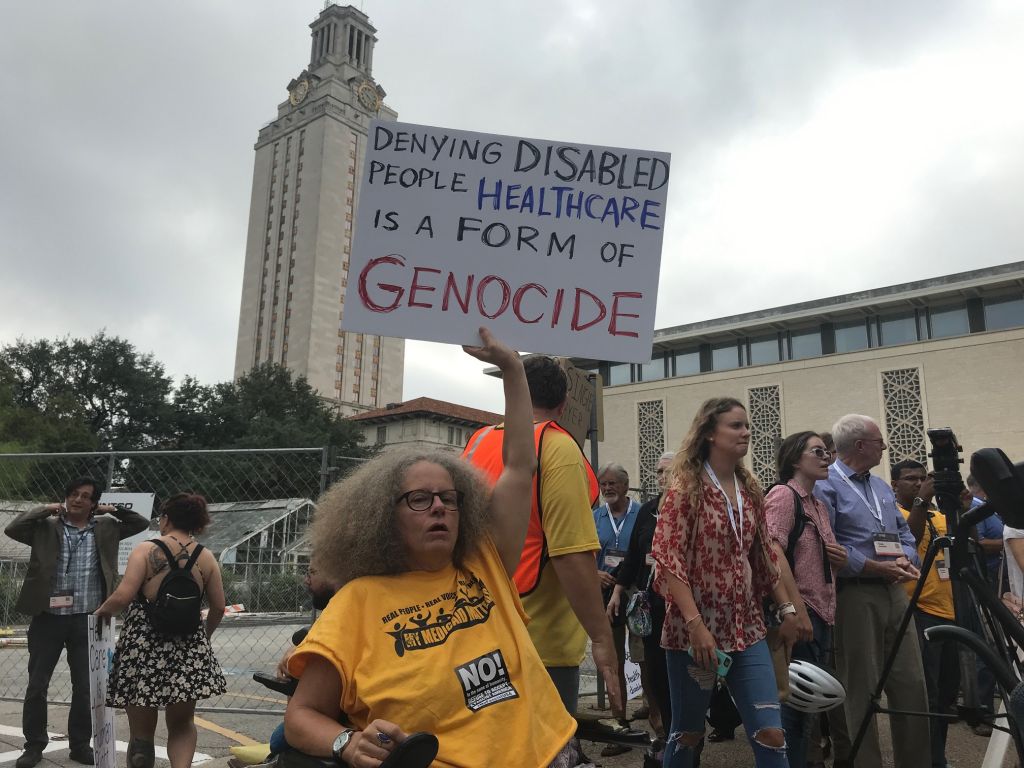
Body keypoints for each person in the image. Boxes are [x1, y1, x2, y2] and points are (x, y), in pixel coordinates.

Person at [283, 329, 588, 767]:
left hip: (548, 754)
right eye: (420, 500)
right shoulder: (355, 603)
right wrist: (345, 744)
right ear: (383, 517)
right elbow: (301, 716)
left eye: (449, 498)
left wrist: (512, 370)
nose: (440, 508)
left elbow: (520, 465)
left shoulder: (485, 562)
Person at [462, 354, 621, 717]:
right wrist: (600, 638)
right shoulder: (558, 446)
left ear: (510, 395)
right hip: (540, 640)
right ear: (564, 405)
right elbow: (570, 552)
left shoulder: (477, 441)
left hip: (478, 627)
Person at [650, 397, 800, 768]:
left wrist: (786, 607)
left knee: (771, 733)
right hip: (694, 634)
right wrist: (695, 625)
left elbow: (764, 554)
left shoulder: (749, 486)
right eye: (736, 425)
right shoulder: (686, 485)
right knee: (687, 735)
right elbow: (669, 559)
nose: (746, 431)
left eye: (747, 425)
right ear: (710, 434)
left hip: (745, 627)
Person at [4, 476, 150, 768]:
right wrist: (46, 509)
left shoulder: (107, 527)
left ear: (93, 503)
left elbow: (140, 523)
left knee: (85, 686)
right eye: (73, 494)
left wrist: (111, 509)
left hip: (89, 619)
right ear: (66, 498)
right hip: (48, 618)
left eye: (85, 496)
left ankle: (79, 745)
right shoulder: (45, 527)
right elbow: (12, 528)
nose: (78, 500)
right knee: (37, 685)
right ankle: (34, 745)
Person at [814, 414, 931, 768]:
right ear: (861, 445)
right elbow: (827, 548)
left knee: (911, 682)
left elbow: (905, 536)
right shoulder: (825, 485)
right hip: (855, 594)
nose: (885, 446)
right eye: (880, 441)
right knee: (860, 687)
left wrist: (905, 560)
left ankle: (916, 762)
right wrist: (877, 567)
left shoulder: (881, 487)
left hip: (895, 590)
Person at [95, 493, 227, 768]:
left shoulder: (145, 549)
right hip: (188, 644)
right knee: (182, 724)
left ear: (166, 519)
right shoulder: (206, 557)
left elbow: (123, 595)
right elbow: (218, 607)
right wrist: (205, 636)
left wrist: (100, 614)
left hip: (144, 644)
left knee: (141, 733)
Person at [764, 431, 846, 768]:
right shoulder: (784, 496)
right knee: (792, 714)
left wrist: (836, 558)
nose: (826, 456)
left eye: (827, 451)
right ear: (795, 459)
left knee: (806, 713)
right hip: (801, 617)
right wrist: (795, 611)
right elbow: (771, 551)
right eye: (817, 451)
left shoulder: (819, 505)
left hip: (822, 615)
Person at [890, 460, 957, 768]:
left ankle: (937, 756)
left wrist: (961, 506)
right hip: (920, 610)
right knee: (927, 694)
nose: (917, 483)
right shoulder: (898, 514)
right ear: (895, 485)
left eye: (921, 478)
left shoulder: (938, 515)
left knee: (945, 694)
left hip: (949, 611)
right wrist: (921, 501)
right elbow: (911, 541)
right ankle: (929, 761)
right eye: (910, 479)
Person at [607, 452, 675, 751]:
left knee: (682, 671)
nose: (662, 477)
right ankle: (667, 731)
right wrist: (619, 591)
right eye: (659, 472)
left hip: (683, 606)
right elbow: (634, 557)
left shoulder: (692, 507)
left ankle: (686, 730)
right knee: (654, 667)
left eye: (668, 471)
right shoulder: (648, 511)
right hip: (652, 604)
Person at [594, 461, 640, 751]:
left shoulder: (642, 514)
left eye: (613, 483)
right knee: (612, 661)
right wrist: (592, 573)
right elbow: (583, 553)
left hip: (637, 595)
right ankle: (619, 723)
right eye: (603, 484)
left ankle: (659, 721)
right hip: (603, 594)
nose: (608, 488)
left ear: (625, 485)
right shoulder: (594, 516)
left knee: (645, 659)